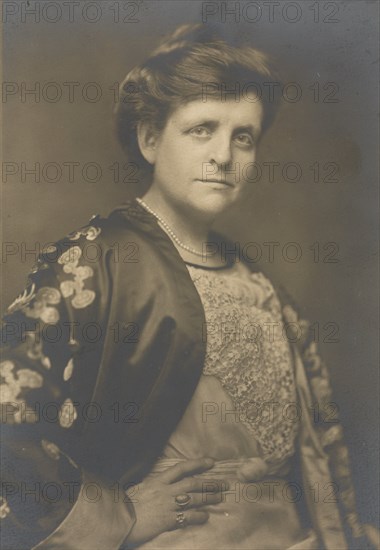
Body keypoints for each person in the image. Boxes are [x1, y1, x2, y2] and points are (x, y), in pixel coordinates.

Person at [0, 24, 378, 550]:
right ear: (150, 138)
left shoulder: (261, 285)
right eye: (203, 129)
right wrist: (120, 514)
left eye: (242, 136)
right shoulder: (97, 259)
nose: (224, 156)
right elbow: (9, 417)